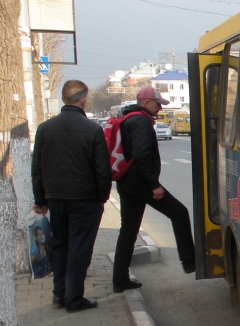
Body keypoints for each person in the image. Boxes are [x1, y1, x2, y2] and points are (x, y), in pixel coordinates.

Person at [31, 79, 112, 312]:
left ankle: (60, 293)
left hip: (56, 199)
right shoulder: (93, 130)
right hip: (85, 200)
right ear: (83, 99)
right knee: (80, 248)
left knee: (60, 244)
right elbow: (102, 170)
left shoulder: (44, 129)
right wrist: (102, 198)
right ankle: (74, 299)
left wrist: (41, 200)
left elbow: (37, 168)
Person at [112, 85, 196, 292]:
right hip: (140, 182)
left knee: (129, 230)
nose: (159, 108)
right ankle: (190, 261)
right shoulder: (140, 120)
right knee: (179, 213)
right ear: (146, 102)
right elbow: (141, 154)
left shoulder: (127, 117)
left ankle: (120, 279)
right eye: (158, 104)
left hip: (126, 181)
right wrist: (154, 185)